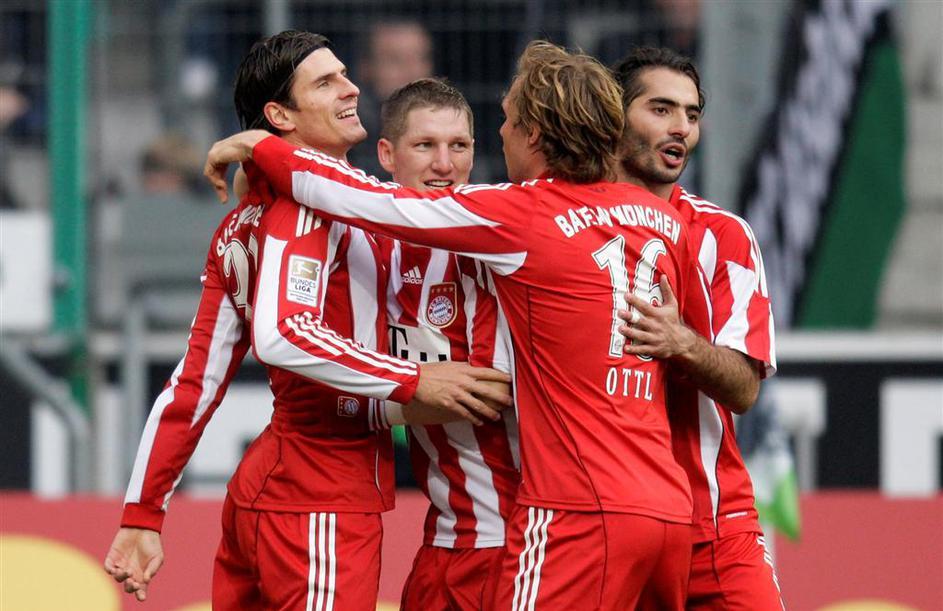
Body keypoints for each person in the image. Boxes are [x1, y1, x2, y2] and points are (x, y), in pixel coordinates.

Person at [205, 40, 715, 609]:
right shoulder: (660, 220)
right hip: (653, 506)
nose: (499, 134)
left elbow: (363, 200)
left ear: (534, 135)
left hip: (553, 519)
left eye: (505, 121)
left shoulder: (514, 221)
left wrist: (265, 149)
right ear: (389, 152)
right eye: (426, 145)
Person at [103, 30, 510, 610]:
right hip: (319, 495)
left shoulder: (240, 225)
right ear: (280, 115)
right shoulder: (310, 209)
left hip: (268, 488)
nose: (350, 88)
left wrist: (143, 511)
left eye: (344, 73)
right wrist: (417, 381)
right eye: (326, 82)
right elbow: (284, 334)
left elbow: (193, 385)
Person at [611, 46, 785, 609]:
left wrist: (680, 342)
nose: (681, 128)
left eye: (692, 114)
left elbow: (744, 389)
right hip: (606, 527)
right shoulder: (563, 224)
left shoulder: (724, 236)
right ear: (613, 116)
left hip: (714, 526)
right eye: (661, 109)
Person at [374, 78, 519, 610]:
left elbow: (495, 391)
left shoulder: (496, 245)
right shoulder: (371, 250)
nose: (444, 164)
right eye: (425, 145)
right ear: (387, 154)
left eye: (458, 146)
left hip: (512, 540)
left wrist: (381, 399)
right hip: (445, 536)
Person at [348, 20, 434, 178]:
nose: (412, 70)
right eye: (395, 60)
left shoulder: (451, 121)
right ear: (365, 67)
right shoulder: (350, 132)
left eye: (420, 58)